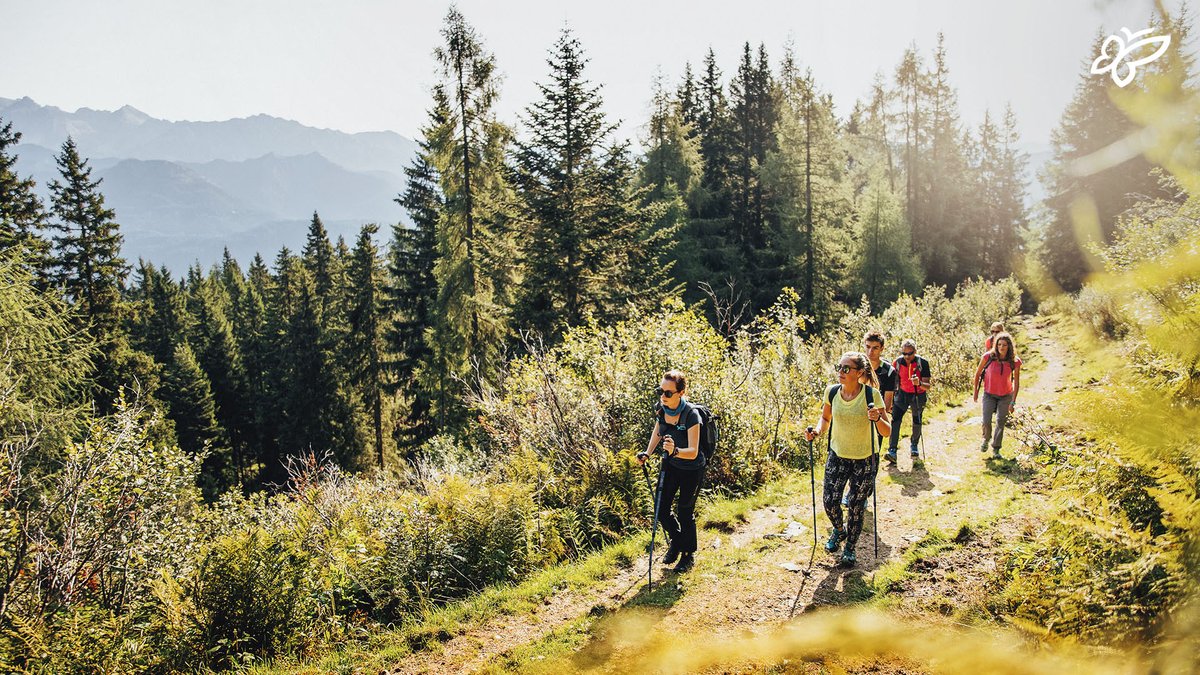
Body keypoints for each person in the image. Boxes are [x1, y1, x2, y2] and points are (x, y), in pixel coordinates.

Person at [804, 352, 891, 567]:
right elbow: (825, 418)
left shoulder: (872, 395)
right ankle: (839, 530)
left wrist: (877, 417)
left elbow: (887, 432)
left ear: (859, 372)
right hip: (838, 455)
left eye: (846, 369)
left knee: (855, 506)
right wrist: (816, 432)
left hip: (865, 458)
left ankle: (850, 547)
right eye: (839, 367)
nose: (841, 372)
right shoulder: (832, 392)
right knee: (830, 501)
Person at [638, 370, 705, 573]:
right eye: (661, 391)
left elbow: (693, 452)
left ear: (681, 393)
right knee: (661, 509)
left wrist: (675, 451)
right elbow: (658, 431)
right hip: (672, 466)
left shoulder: (692, 415)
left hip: (692, 469)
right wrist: (648, 453)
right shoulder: (662, 409)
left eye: (668, 393)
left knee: (685, 512)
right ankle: (677, 541)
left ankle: (688, 555)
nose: (663, 396)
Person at [842, 331, 897, 506]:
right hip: (854, 417)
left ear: (881, 349)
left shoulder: (888, 371)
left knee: (871, 458)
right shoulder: (857, 367)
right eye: (867, 347)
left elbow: (887, 403)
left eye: (875, 348)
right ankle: (853, 491)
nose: (870, 351)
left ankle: (864, 494)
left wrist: (878, 416)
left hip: (875, 417)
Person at [972, 331, 1021, 459]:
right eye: (999, 344)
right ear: (995, 345)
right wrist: (976, 392)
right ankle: (986, 439)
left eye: (1004, 345)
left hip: (1006, 396)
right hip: (989, 394)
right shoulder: (988, 357)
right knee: (986, 420)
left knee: (1000, 421)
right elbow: (977, 374)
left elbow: (1016, 382)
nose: (1001, 347)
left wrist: (1013, 402)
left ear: (1009, 346)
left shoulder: (1014, 362)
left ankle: (996, 449)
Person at [888, 339, 931, 464]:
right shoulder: (897, 363)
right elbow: (893, 382)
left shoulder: (923, 363)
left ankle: (914, 446)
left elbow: (927, 386)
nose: (907, 356)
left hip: (918, 395)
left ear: (915, 352)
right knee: (895, 420)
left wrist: (919, 383)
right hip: (902, 394)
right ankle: (892, 450)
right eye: (904, 353)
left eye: (910, 353)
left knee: (917, 420)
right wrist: (891, 400)